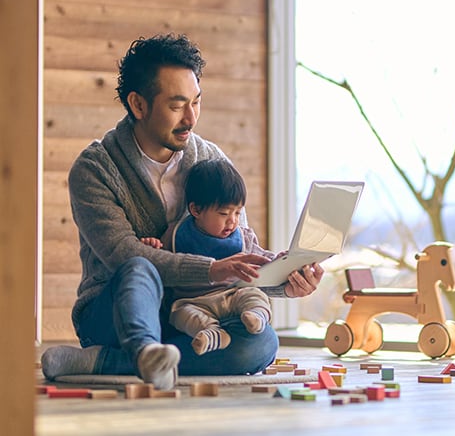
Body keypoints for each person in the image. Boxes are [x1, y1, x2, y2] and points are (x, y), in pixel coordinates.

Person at [40, 33, 324, 390]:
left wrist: (284, 280)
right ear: (138, 105)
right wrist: (212, 269)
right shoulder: (95, 168)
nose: (191, 118)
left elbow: (234, 251)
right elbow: (122, 255)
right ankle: (141, 350)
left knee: (261, 343)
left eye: (196, 102)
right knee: (138, 267)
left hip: (194, 312)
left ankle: (103, 362)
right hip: (117, 313)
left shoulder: (211, 160)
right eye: (177, 106)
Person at [140, 158, 276, 355]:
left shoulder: (243, 237)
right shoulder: (177, 234)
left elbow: (262, 260)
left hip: (233, 295)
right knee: (179, 313)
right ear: (196, 210)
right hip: (192, 301)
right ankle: (212, 334)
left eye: (238, 213)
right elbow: (161, 264)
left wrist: (280, 261)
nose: (233, 221)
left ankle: (256, 316)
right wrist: (151, 246)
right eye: (223, 213)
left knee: (254, 295)